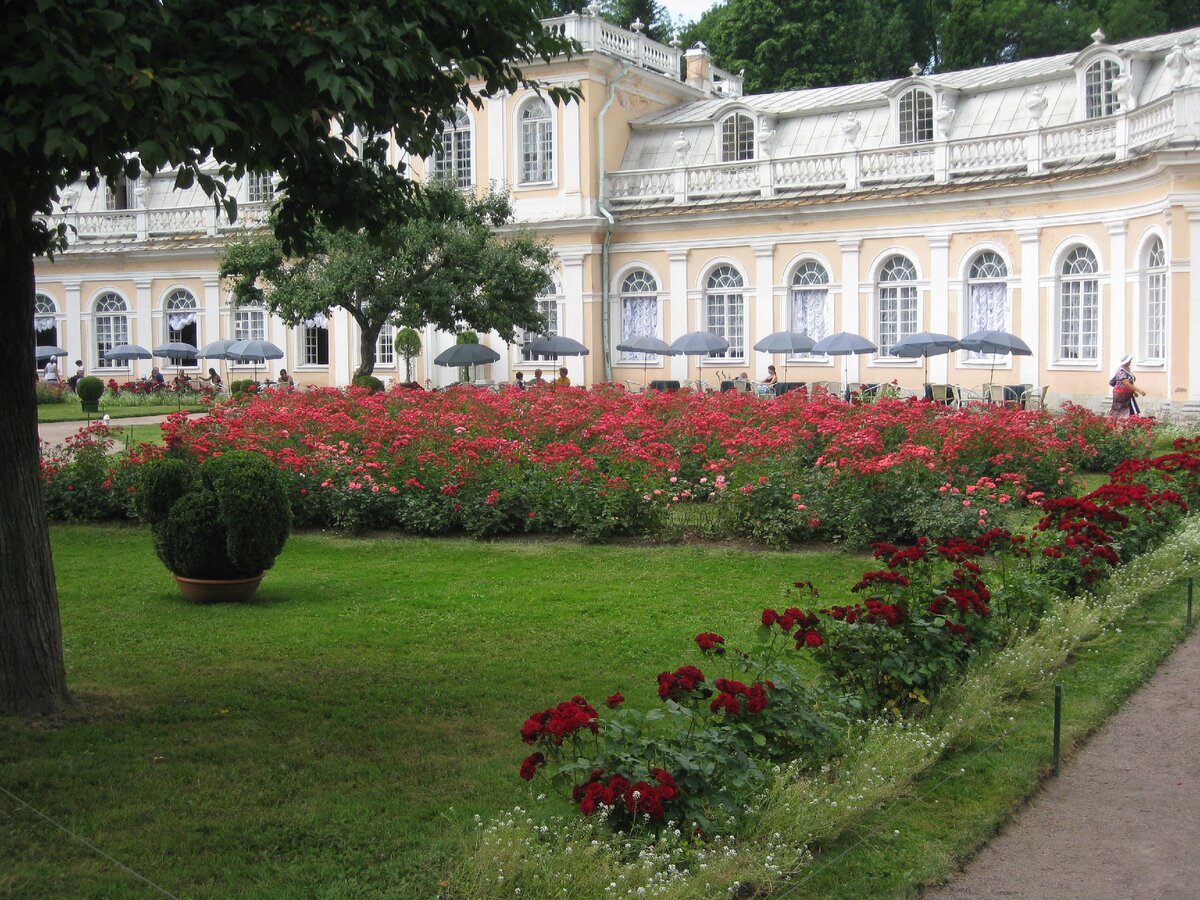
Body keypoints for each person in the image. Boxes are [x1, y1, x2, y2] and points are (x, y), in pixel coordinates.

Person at [1109, 353, 1144, 418]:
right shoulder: (1121, 371)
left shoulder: (1127, 369)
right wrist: (1139, 390)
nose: (1130, 361)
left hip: (1127, 394)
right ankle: (1134, 422)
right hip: (1122, 395)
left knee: (1121, 410)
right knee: (1131, 411)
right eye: (1129, 360)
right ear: (1126, 361)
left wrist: (1133, 392)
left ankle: (1119, 423)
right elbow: (1127, 384)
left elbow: (1130, 383)